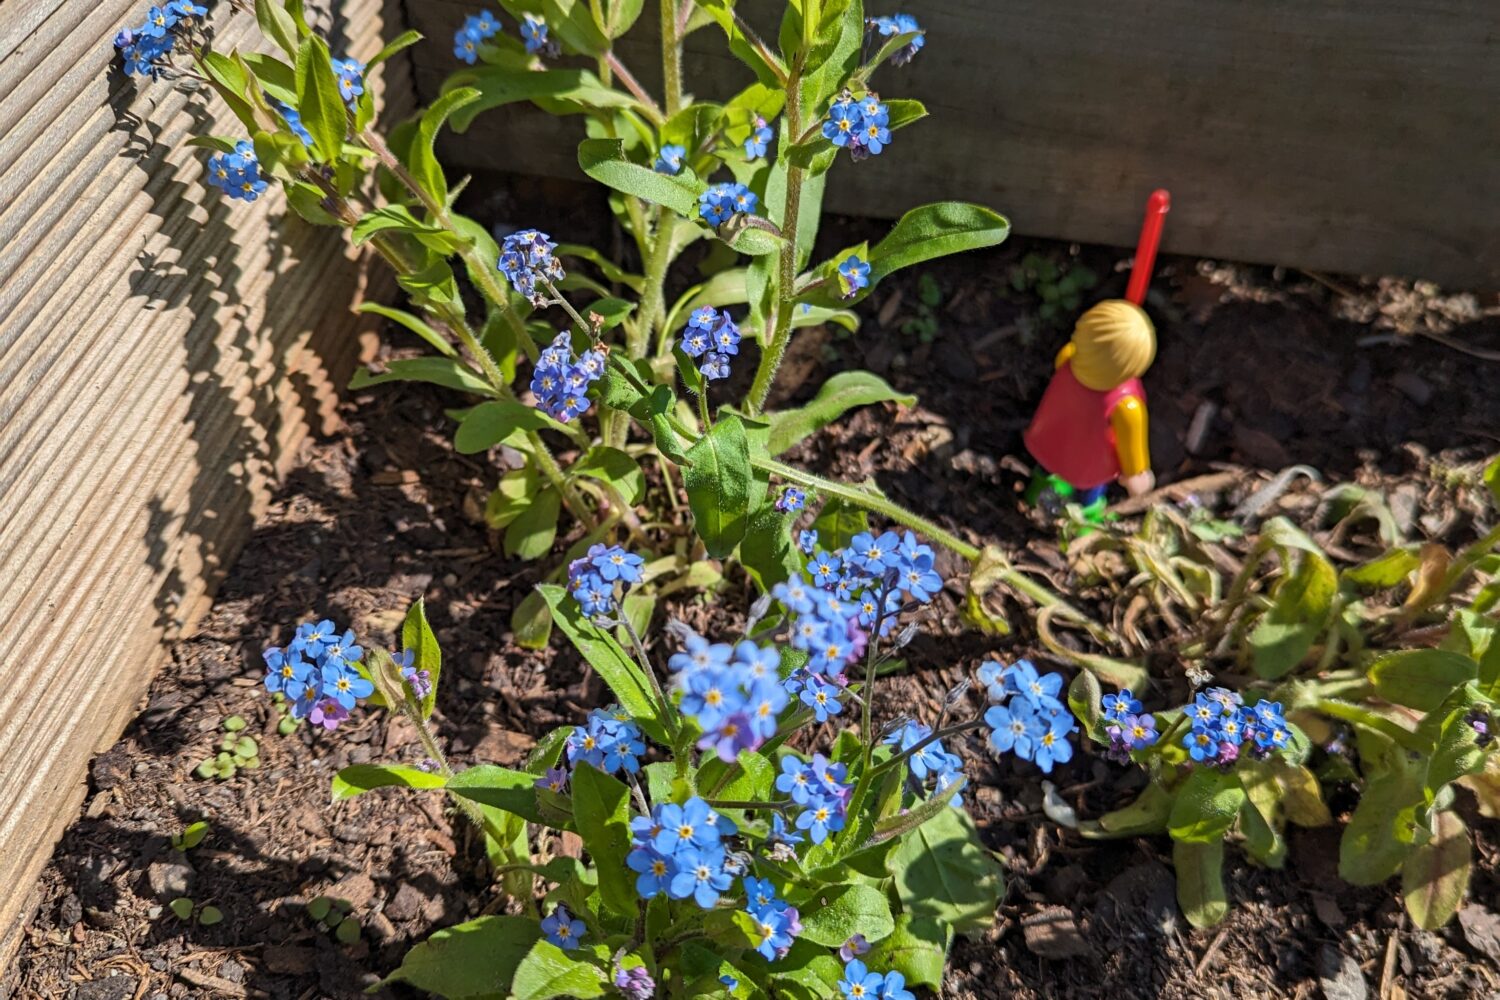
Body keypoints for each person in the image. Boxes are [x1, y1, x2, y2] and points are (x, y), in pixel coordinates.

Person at [1022, 299, 1156, 518]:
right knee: (1089, 492)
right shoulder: (1128, 406)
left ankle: (1034, 493)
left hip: (1050, 436)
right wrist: (1136, 476)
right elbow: (1131, 447)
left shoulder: (1067, 357)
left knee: (1045, 467)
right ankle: (1084, 519)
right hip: (1089, 461)